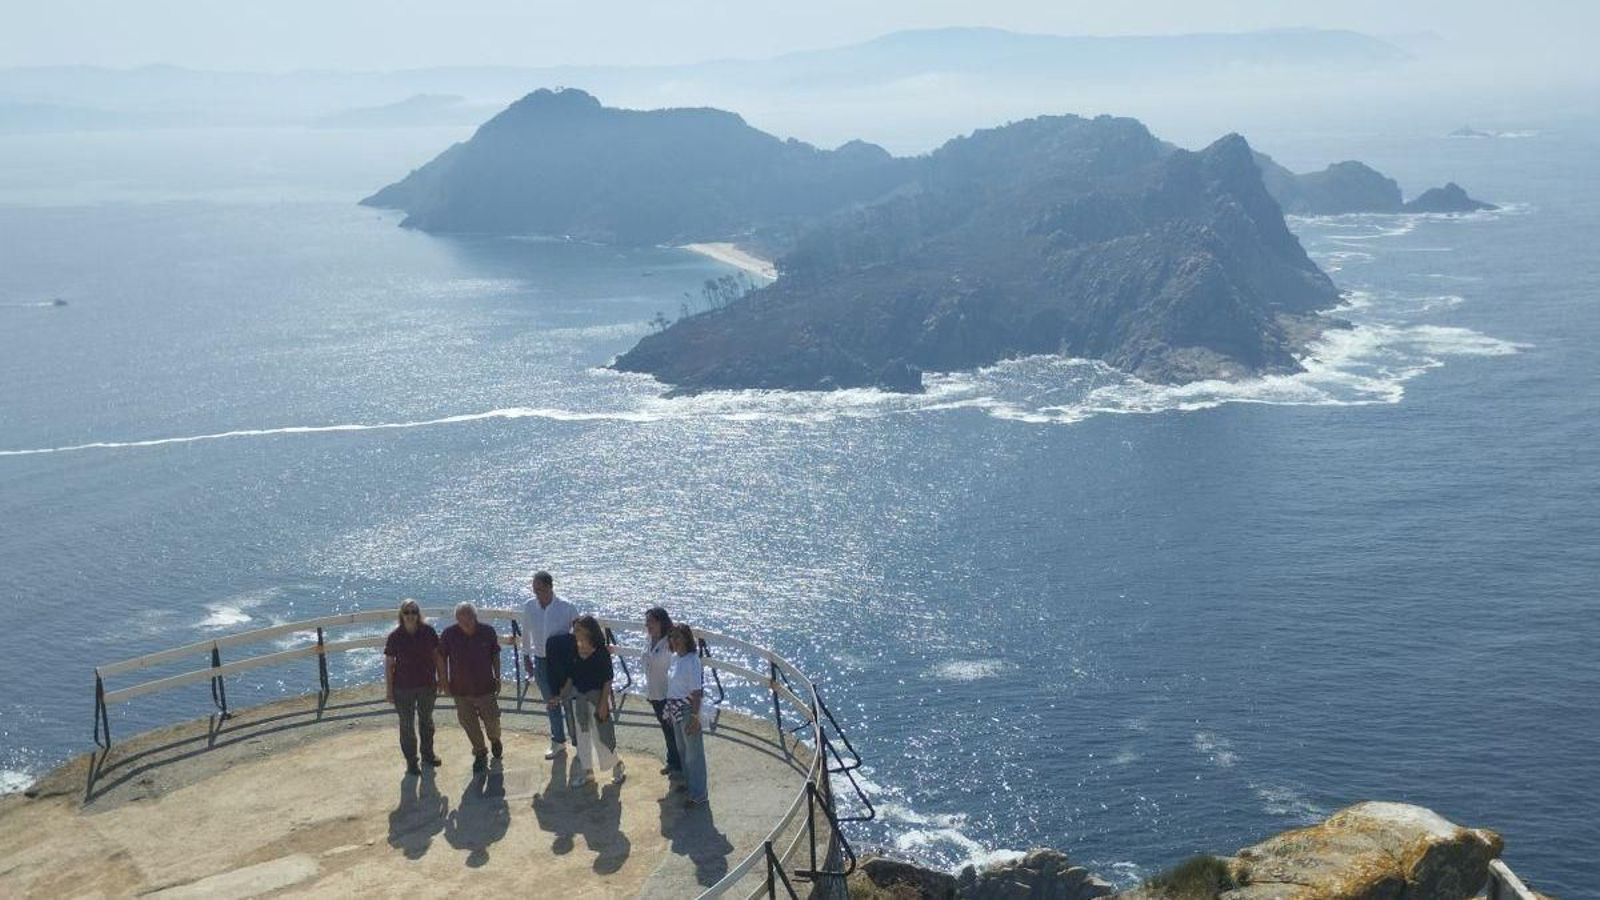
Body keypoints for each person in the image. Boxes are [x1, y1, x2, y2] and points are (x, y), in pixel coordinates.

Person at [553, 614, 625, 787]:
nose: (575, 633)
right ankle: (587, 773)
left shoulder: (601, 653)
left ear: (588, 631)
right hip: (581, 703)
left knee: (602, 737)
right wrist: (560, 697)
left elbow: (608, 679)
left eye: (578, 629)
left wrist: (602, 704)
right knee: (582, 738)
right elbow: (571, 678)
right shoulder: (575, 652)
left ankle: (617, 765)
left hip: (596, 700)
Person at [438, 601, 503, 773]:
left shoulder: (487, 632)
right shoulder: (449, 634)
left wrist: (498, 676)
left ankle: (495, 739)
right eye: (461, 621)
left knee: (492, 720)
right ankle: (480, 752)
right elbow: (441, 657)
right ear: (457, 620)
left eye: (469, 620)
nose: (465, 624)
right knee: (468, 722)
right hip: (460, 688)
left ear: (475, 617)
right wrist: (443, 679)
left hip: (485, 686)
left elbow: (495, 654)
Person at [384, 598, 445, 776]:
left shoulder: (428, 632)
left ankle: (428, 754)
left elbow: (437, 656)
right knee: (406, 725)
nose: (410, 615)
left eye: (413, 612)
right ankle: (411, 761)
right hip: (402, 688)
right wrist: (389, 691)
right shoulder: (395, 637)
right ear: (401, 615)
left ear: (418, 614)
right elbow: (389, 665)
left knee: (427, 721)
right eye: (407, 612)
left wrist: (442, 678)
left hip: (427, 685)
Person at [521, 570, 578, 760]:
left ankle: (578, 742)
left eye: (540, 589)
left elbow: (578, 634)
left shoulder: (567, 607)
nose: (537, 593)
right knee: (551, 702)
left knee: (569, 702)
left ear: (549, 587)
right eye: (535, 589)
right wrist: (526, 657)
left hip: (562, 663)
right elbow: (526, 633)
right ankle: (558, 741)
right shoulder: (529, 606)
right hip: (540, 660)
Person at [663, 622, 709, 806]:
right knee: (683, 750)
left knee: (694, 753)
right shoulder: (675, 658)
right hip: (675, 709)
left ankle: (699, 793)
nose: (674, 640)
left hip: (688, 709)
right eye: (672, 637)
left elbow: (697, 692)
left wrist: (695, 717)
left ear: (686, 639)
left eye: (677, 637)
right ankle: (691, 785)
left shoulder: (692, 660)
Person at [641, 607, 682, 778]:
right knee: (666, 730)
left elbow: (677, 668)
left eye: (651, 621)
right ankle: (672, 761)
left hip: (667, 695)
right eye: (647, 621)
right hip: (654, 692)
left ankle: (679, 766)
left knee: (673, 731)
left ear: (660, 622)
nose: (647, 625)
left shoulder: (669, 643)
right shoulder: (649, 639)